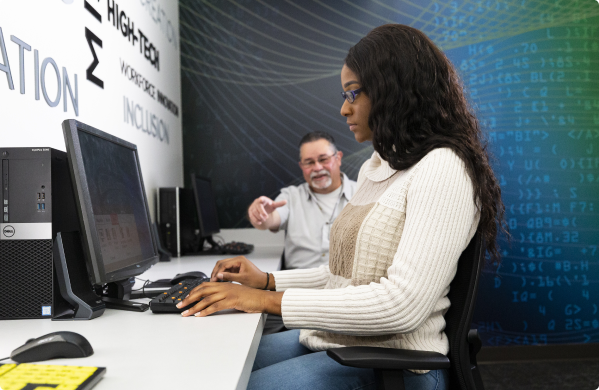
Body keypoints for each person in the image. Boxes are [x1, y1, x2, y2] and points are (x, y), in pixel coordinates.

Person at [177, 24, 506, 390]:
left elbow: (400, 304)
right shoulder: (378, 166)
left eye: (353, 94)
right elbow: (345, 274)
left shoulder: (443, 168)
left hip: (399, 364)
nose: (343, 108)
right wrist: (268, 281)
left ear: (392, 92)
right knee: (220, 365)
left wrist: (265, 301)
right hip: (345, 341)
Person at [247, 131, 357, 270]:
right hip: (298, 286)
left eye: (323, 159)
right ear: (301, 166)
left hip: (347, 287)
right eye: (309, 162)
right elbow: (271, 219)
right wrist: (261, 215)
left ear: (338, 158)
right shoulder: (291, 196)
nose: (317, 168)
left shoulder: (364, 194)